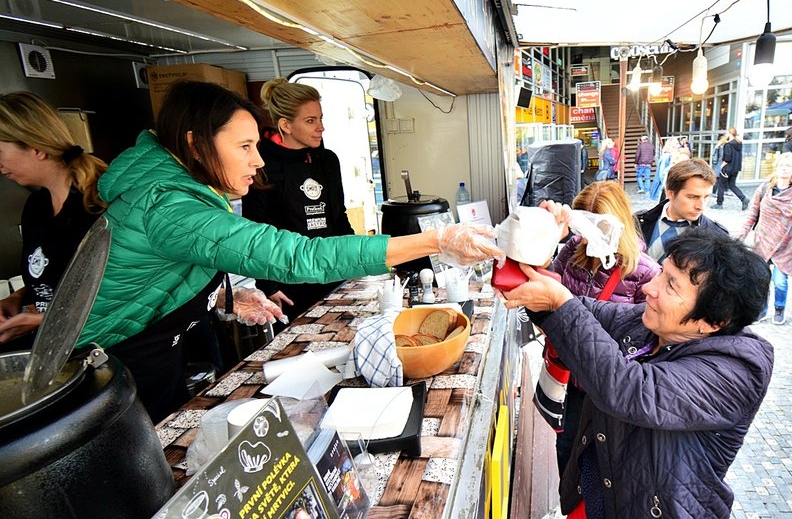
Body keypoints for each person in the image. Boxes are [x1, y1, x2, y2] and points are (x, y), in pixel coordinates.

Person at [76, 81, 500, 422]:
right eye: (244, 147)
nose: (258, 160)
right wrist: (437, 240)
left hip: (147, 357)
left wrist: (226, 296)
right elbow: (298, 257)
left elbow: (160, 272)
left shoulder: (180, 193)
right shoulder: (169, 206)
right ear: (195, 144)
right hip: (110, 370)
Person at [500, 229, 774, 519]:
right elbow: (583, 313)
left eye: (671, 285)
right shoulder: (650, 325)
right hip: (591, 513)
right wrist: (527, 270)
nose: (650, 288)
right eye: (661, 273)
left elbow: (630, 389)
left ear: (711, 321)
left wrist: (561, 304)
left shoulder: (736, 370)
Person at [533, 181, 659, 519]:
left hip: (610, 384)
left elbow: (646, 342)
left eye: (597, 230)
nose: (587, 240)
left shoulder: (644, 273)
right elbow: (545, 291)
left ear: (616, 223)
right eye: (582, 229)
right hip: (568, 377)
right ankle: (565, 504)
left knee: (609, 455)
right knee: (566, 443)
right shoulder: (572, 251)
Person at [0, 92, 108, 351]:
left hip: (102, 352)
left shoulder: (99, 205)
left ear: (36, 148)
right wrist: (17, 298)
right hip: (55, 349)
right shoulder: (36, 207)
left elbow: (125, 296)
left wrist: (43, 320)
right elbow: (51, 276)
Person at [242, 78, 354, 322]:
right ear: (286, 125)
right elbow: (254, 230)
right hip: (290, 283)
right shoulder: (263, 164)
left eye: (321, 118)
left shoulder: (328, 160)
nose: (321, 127)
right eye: (311, 121)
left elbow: (339, 217)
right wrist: (268, 285)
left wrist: (357, 259)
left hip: (334, 272)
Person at [737, 152, 792, 325]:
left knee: (780, 282)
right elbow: (752, 214)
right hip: (763, 241)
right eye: (781, 165)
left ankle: (779, 308)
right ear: (776, 167)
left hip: (786, 244)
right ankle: (760, 310)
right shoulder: (764, 189)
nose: (784, 169)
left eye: (788, 166)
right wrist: (741, 235)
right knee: (761, 279)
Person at [637, 158, 728, 265]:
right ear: (670, 193)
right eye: (693, 197)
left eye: (706, 197)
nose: (701, 206)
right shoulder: (639, 223)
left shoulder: (717, 237)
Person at [713, 127, 748, 210]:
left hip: (727, 169)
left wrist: (721, 166)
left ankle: (719, 203)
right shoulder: (739, 143)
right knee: (732, 185)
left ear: (729, 133)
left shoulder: (728, 145)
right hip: (735, 168)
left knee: (721, 185)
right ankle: (743, 199)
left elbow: (728, 158)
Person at [649, 137, 679, 202]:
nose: (678, 146)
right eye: (676, 144)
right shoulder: (667, 157)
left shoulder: (668, 156)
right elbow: (662, 174)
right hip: (665, 186)